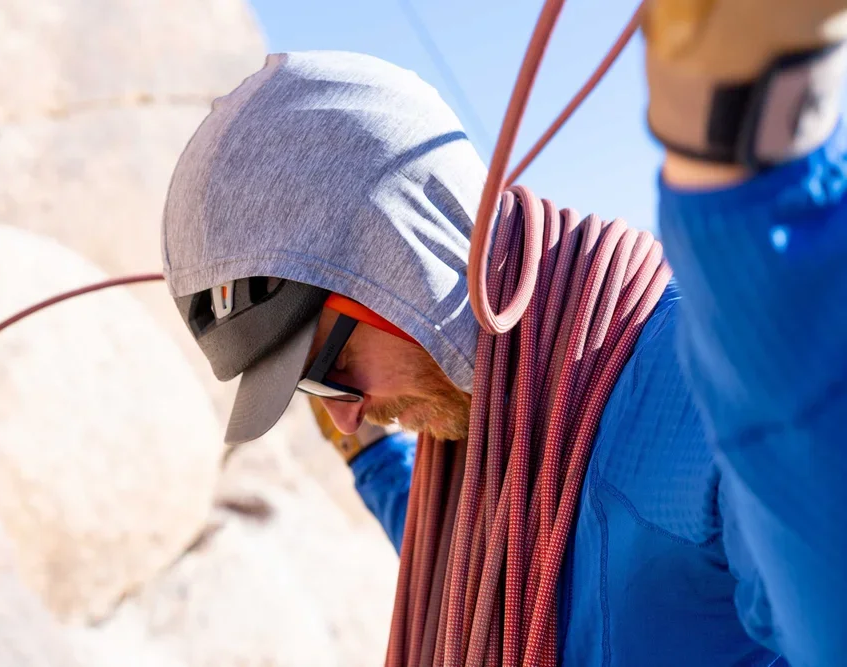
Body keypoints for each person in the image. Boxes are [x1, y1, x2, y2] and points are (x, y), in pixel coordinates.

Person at [161, 1, 847, 663]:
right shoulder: (478, 438)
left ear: (396, 265)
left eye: (324, 368)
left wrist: (746, 198)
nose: (342, 413)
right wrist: (371, 459)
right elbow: (490, 582)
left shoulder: (695, 397)